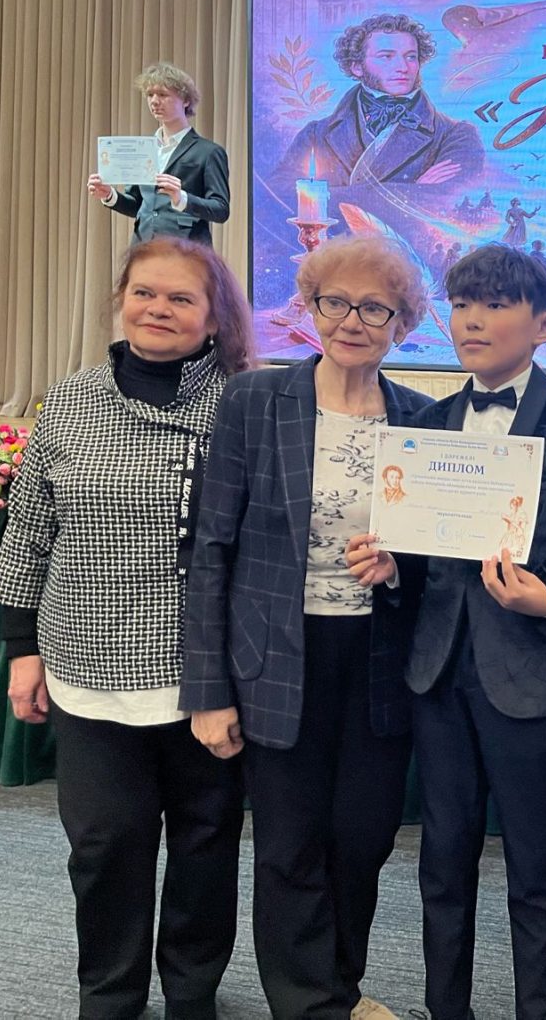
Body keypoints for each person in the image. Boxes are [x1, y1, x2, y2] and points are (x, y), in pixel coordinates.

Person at [0, 237, 255, 1020]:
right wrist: (21, 650)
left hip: (207, 676)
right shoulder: (71, 399)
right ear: (121, 299)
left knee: (205, 846)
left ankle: (191, 994)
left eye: (181, 298)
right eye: (145, 292)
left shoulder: (246, 403)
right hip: (88, 668)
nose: (158, 309)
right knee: (105, 846)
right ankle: (108, 994)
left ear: (214, 317)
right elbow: (28, 530)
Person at [180, 234, 433, 1020]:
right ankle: (310, 1004)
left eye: (375, 308)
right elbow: (210, 547)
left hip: (377, 659)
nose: (352, 321)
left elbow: (438, 560)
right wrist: (207, 691)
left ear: (403, 324)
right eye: (335, 302)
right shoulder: (255, 401)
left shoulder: (423, 420)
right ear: (310, 307)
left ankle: (339, 988)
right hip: (276, 656)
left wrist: (399, 567)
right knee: (289, 843)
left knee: (363, 839)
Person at [383, 243, 546, 1020]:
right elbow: (415, 552)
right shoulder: (426, 424)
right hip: (438, 671)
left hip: (534, 672)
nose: (472, 320)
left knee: (535, 868)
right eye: (462, 304)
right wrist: (389, 562)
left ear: (545, 326)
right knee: (442, 862)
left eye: (494, 305)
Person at [276, 12, 483, 188]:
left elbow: (445, 202)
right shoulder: (315, 135)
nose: (403, 67)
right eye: (386, 56)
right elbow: (282, 197)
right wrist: (413, 191)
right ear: (357, 67)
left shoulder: (455, 135)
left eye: (411, 57)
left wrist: (330, 196)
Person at [87, 62, 230, 246]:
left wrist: (181, 198)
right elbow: (138, 205)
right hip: (143, 247)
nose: (154, 101)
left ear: (186, 100)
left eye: (163, 94)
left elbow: (220, 209)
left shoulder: (209, 152)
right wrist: (109, 195)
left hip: (186, 249)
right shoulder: (143, 149)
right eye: (150, 95)